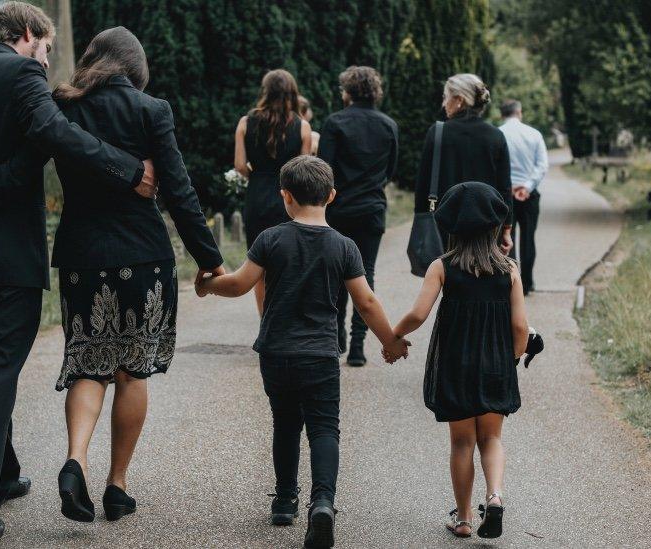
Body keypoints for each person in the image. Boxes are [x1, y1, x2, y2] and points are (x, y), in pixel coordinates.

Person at [0, 2, 157, 541]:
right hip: (7, 262)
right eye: (46, 49)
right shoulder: (22, 72)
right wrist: (124, 168)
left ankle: (3, 474)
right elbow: (49, 139)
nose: (48, 62)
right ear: (28, 35)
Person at [195, 156, 409, 549]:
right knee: (324, 429)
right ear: (331, 196)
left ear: (285, 196)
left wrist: (209, 285)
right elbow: (366, 303)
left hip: (276, 352)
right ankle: (322, 503)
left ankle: (283, 500)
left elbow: (240, 284)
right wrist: (390, 341)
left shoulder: (270, 239)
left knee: (285, 423)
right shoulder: (344, 247)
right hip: (321, 355)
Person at [391, 182, 528, 540]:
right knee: (492, 438)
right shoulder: (509, 269)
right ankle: (495, 497)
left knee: (462, 442)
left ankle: (465, 518)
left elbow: (418, 314)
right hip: (496, 364)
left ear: (450, 226)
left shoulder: (442, 266)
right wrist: (510, 360)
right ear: (495, 226)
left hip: (455, 366)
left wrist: (393, 335)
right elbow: (520, 327)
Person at [318, 66, 399, 366]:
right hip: (372, 208)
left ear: (348, 92)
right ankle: (358, 346)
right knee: (366, 273)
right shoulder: (389, 125)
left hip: (338, 208)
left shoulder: (335, 122)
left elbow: (323, 170)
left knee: (336, 272)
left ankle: (336, 333)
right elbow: (391, 170)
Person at [234, 70, 312, 313]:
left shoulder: (246, 122)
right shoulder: (302, 127)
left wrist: (257, 176)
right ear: (292, 92)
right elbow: (304, 170)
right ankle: (287, 322)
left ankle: (265, 322)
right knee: (291, 263)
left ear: (265, 91)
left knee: (260, 267)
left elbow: (238, 165)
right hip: (289, 200)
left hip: (256, 197)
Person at [413, 73, 513, 254]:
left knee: (447, 277)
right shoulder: (495, 136)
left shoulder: (437, 133)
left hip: (445, 224)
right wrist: (506, 228)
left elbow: (423, 186)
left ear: (459, 100)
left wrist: (421, 223)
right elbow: (504, 187)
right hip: (487, 224)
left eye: (445, 97)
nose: (443, 104)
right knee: (482, 276)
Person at [499, 100, 548, 295]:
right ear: (519, 112)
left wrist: (508, 187)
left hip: (505, 195)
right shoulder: (534, 134)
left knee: (505, 240)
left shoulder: (498, 134)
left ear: (502, 114)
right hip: (528, 195)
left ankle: (510, 284)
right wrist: (527, 187)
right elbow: (542, 165)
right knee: (528, 239)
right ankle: (527, 284)